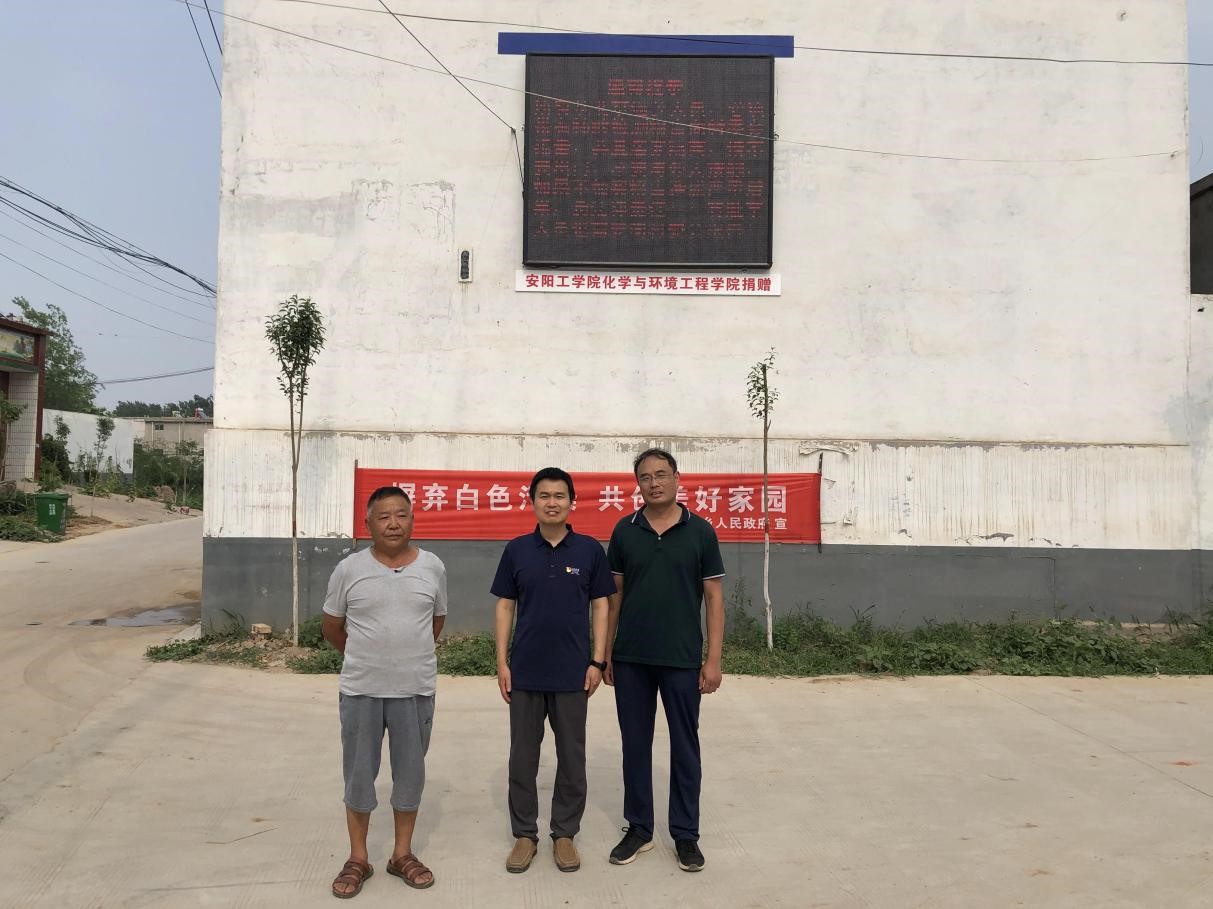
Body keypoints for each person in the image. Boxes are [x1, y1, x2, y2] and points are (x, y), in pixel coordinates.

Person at [322, 485, 447, 898]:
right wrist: (368, 656)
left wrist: (405, 657)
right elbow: (332, 627)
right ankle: (358, 858)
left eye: (401, 515)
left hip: (415, 689)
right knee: (359, 774)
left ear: (412, 519)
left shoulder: (433, 567)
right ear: (368, 523)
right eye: (384, 516)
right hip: (362, 689)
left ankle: (402, 854)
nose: (394, 523)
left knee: (410, 773)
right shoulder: (349, 569)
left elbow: (436, 622)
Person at [604, 448, 725, 873]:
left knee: (685, 746)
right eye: (645, 476)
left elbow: (714, 599)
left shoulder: (700, 531)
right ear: (637, 484)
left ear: (677, 478)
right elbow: (613, 597)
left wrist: (713, 659)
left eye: (661, 474)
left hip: (681, 659)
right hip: (631, 658)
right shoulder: (624, 531)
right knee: (635, 745)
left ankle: (685, 834)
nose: (653, 483)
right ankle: (639, 828)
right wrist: (605, 653)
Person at [491, 467, 614, 874]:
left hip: (572, 673)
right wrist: (502, 662)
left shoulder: (589, 551)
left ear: (572, 502)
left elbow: (601, 605)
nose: (552, 502)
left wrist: (597, 660)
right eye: (544, 495)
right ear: (532, 502)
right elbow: (505, 605)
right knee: (522, 758)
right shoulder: (517, 550)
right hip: (525, 671)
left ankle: (564, 833)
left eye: (560, 495)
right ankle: (525, 835)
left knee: (572, 758)